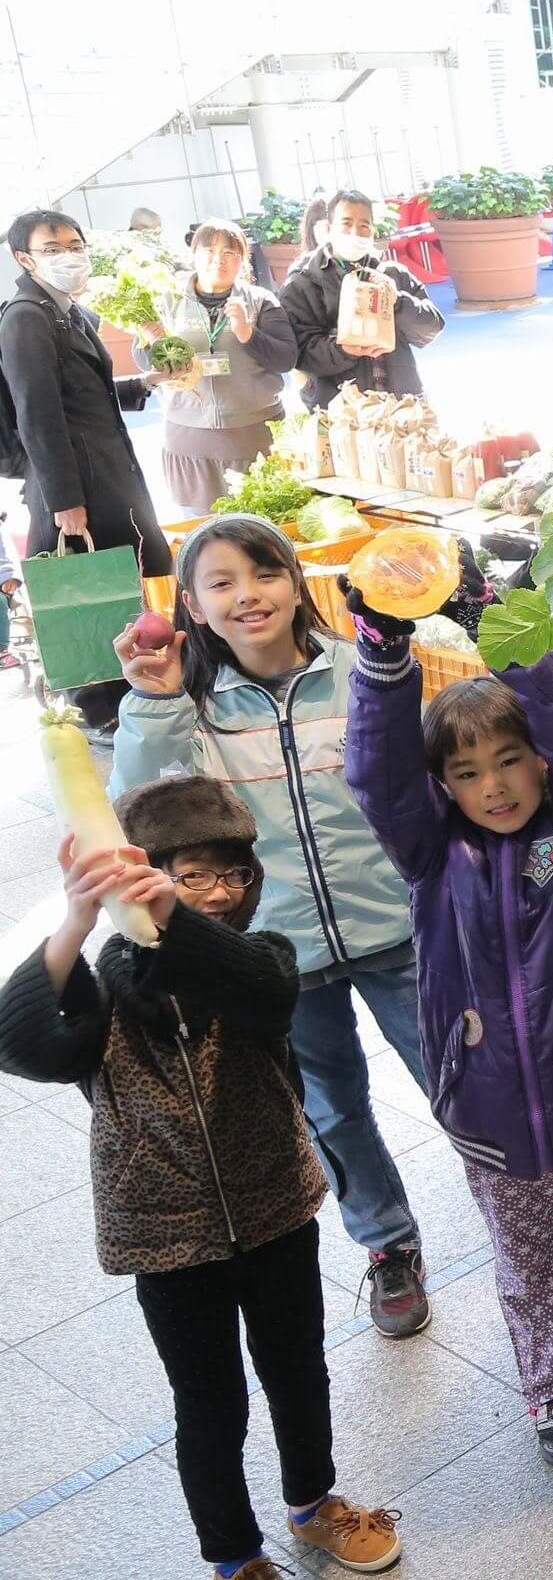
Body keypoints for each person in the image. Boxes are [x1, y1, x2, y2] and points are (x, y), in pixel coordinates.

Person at [0, 783, 404, 1580]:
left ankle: (314, 1503)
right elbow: (21, 1044)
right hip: (163, 1232)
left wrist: (174, 919)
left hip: (277, 1208)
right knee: (211, 1404)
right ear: (144, 874)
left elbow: (263, 989)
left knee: (299, 1370)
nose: (221, 893)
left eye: (235, 875)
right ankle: (233, 1554)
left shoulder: (261, 960)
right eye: (191, 876)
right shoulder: (106, 991)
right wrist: (80, 917)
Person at [342, 608, 553, 1473]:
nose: (497, 785)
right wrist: (383, 659)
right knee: (522, 1264)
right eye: (469, 771)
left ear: (541, 762)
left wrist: (517, 650)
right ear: (443, 786)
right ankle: (552, 1390)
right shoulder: (430, 855)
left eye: (512, 759)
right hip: (482, 1103)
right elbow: (376, 777)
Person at [108, 515, 434, 1338]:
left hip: (396, 925)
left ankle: (525, 1202)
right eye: (220, 584)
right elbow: (144, 810)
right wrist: (152, 700)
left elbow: (420, 779)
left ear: (297, 582)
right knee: (333, 1107)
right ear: (190, 604)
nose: (247, 596)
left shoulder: (364, 671)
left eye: (263, 574)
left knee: (456, 1075)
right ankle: (388, 1243)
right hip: (280, 950)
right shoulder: (188, 707)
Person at [1, 208, 173, 727]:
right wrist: (64, 500)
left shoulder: (65, 310)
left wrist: (143, 385)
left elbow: (81, 397)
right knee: (86, 592)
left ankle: (130, 693)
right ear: (24, 258)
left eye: (75, 244)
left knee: (118, 583)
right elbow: (38, 413)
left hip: (102, 472)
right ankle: (98, 709)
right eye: (53, 249)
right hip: (77, 485)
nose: (69, 255)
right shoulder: (26, 317)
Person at [141, 219, 297, 511]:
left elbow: (286, 359)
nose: (219, 260)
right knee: (203, 535)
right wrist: (152, 343)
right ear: (194, 253)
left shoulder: (260, 301)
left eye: (230, 253)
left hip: (253, 436)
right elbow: (144, 365)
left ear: (242, 260)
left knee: (263, 530)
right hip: (189, 440)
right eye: (210, 250)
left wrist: (247, 334)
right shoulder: (167, 301)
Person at [280, 189, 443, 409]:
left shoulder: (392, 274)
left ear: (373, 232)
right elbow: (298, 352)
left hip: (400, 404)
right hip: (342, 411)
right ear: (329, 228)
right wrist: (343, 349)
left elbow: (430, 328)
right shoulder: (303, 283)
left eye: (363, 226)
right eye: (346, 224)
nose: (355, 233)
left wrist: (397, 301)